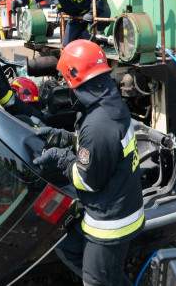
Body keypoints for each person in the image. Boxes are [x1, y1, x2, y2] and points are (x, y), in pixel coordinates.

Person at [32, 39, 143, 286]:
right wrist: (66, 138)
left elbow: (86, 180)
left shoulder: (99, 124)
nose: (64, 84)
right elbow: (102, 152)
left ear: (76, 79)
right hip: (116, 205)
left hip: (111, 222)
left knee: (96, 282)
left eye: (65, 78)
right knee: (68, 247)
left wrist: (61, 158)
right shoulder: (109, 102)